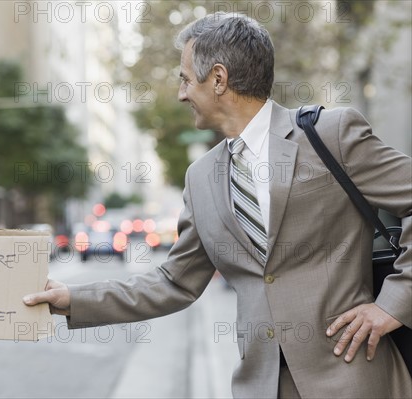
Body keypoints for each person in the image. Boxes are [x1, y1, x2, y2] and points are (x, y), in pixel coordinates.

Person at [24, 12, 411, 398]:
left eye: (186, 79)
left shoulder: (330, 135)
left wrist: (392, 304)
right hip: (260, 387)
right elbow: (174, 282)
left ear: (219, 79)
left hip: (354, 380)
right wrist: (74, 299)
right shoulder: (201, 177)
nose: (181, 93)